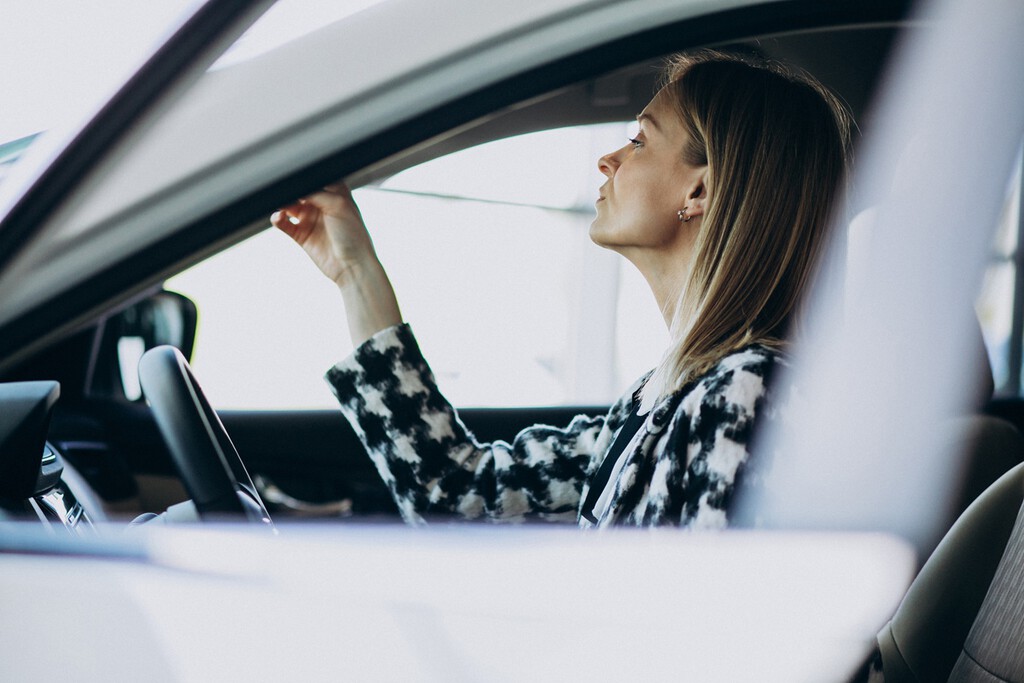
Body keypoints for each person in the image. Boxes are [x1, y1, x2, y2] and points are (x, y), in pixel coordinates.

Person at [272, 50, 851, 527]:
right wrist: (353, 269)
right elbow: (459, 493)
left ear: (699, 191)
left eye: (641, 141)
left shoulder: (748, 392)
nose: (609, 158)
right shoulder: (664, 398)